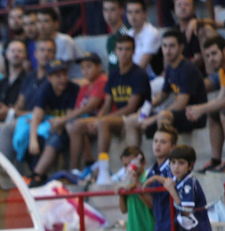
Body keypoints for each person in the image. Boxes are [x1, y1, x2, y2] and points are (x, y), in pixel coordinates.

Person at [124, 30, 207, 148]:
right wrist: (146, 108)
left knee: (164, 116)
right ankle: (133, 162)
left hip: (193, 115)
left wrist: (152, 119)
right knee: (131, 120)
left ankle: (166, 162)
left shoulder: (188, 68)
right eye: (164, 46)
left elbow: (181, 103)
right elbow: (163, 95)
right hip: (179, 114)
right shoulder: (170, 68)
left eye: (172, 46)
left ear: (181, 47)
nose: (167, 50)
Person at [89, 35, 151, 170]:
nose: (123, 53)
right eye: (120, 49)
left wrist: (103, 119)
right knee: (76, 126)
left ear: (134, 51)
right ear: (115, 51)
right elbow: (107, 104)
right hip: (119, 118)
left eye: (127, 49)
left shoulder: (139, 74)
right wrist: (97, 119)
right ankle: (80, 169)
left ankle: (103, 168)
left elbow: (131, 107)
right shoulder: (113, 73)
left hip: (138, 116)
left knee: (103, 122)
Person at [27, 59, 80, 186]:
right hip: (53, 128)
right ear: (49, 78)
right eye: (57, 76)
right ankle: (37, 175)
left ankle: (37, 175)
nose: (62, 79)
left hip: (71, 130)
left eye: (64, 75)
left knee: (56, 137)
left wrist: (58, 122)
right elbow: (37, 114)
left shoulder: (73, 89)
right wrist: (32, 139)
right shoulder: (45, 89)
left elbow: (68, 117)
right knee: (39, 138)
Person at [62, 52, 108, 170]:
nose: (85, 71)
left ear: (99, 67)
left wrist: (62, 120)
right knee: (71, 124)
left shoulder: (102, 81)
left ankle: (75, 168)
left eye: (89, 66)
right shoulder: (84, 87)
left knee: (73, 125)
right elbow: (79, 109)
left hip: (102, 118)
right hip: (87, 121)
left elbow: (90, 107)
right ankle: (87, 162)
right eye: (82, 68)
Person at [186, 37, 225, 172]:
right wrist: (199, 109)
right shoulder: (222, 70)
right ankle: (216, 160)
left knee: (223, 111)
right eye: (207, 55)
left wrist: (200, 109)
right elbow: (220, 97)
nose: (210, 59)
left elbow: (223, 102)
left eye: (214, 53)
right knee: (213, 112)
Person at [126, 0, 161, 78]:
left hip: (151, 78)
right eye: (130, 12)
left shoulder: (152, 33)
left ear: (145, 14)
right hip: (132, 76)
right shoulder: (128, 34)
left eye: (137, 12)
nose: (133, 16)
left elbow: (141, 66)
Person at [0, 40, 27, 122]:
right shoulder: (1, 82)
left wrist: (9, 112)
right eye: (12, 51)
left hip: (19, 122)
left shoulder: (28, 80)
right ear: (6, 55)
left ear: (25, 55)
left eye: (19, 51)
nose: (16, 54)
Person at [104, 0, 129, 72]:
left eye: (112, 9)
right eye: (105, 10)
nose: (108, 14)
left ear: (121, 10)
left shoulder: (127, 33)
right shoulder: (110, 38)